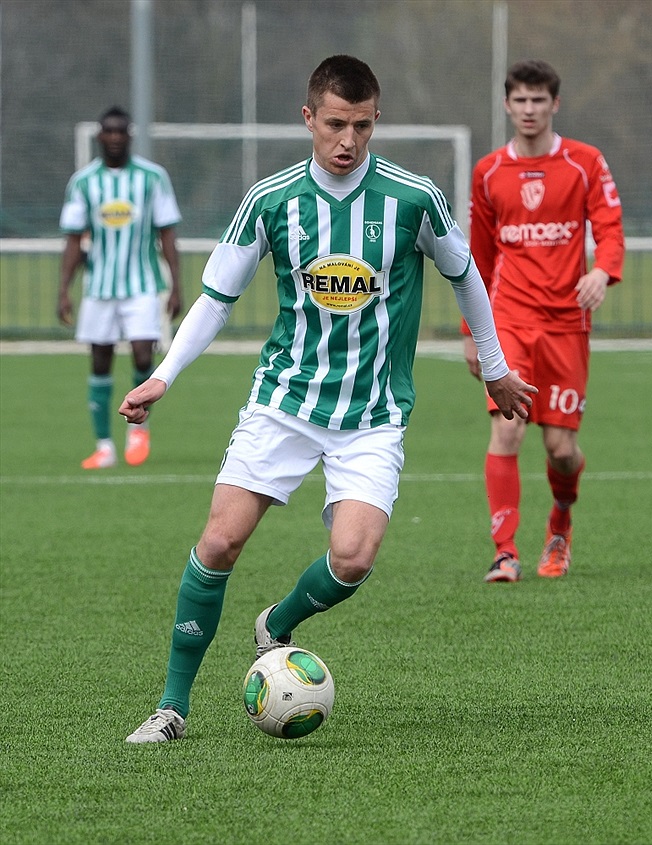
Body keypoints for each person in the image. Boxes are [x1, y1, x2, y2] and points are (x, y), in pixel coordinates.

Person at [118, 55, 536, 743]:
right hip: (284, 400)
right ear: (308, 118)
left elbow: (468, 277)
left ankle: (276, 624)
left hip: (372, 414)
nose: (348, 141)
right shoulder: (271, 199)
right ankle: (171, 706)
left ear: (377, 122)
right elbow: (216, 300)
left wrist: (494, 366)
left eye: (362, 126)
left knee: (353, 558)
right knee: (219, 540)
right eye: (335, 124)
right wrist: (165, 373)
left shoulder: (412, 198)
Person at [461, 59, 625, 583]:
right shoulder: (487, 172)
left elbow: (611, 228)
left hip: (566, 323)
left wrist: (603, 271)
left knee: (561, 450)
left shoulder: (585, 162)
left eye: (539, 100)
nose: (529, 110)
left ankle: (560, 524)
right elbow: (477, 259)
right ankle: (504, 551)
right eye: (520, 100)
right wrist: (472, 335)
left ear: (555, 104)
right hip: (508, 317)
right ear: (507, 105)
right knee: (507, 431)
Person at [58, 106, 182, 469]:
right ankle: (103, 446)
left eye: (120, 132)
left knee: (144, 354)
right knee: (100, 361)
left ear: (129, 136)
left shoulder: (152, 178)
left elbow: (168, 233)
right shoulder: (83, 182)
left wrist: (176, 286)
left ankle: (138, 431)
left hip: (142, 284)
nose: (114, 138)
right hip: (99, 287)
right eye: (108, 132)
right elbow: (72, 240)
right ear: (100, 137)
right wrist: (64, 289)